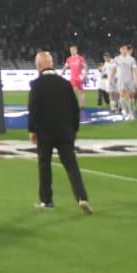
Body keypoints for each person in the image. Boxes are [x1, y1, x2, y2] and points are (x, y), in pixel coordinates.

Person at [27, 51, 92, 214]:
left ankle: (46, 201)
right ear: (52, 64)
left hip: (45, 131)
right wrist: (75, 129)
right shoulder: (65, 83)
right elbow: (74, 108)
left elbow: (33, 109)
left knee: (45, 165)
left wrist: (32, 130)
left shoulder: (36, 85)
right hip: (65, 131)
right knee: (71, 165)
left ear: (39, 66)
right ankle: (82, 197)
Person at [112, 44, 137, 122]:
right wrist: (111, 78)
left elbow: (134, 70)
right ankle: (125, 111)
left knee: (130, 97)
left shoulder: (132, 59)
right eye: (122, 49)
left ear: (127, 50)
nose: (123, 50)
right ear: (120, 50)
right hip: (120, 80)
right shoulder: (116, 59)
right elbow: (114, 69)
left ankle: (130, 112)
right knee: (122, 96)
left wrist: (136, 79)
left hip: (129, 80)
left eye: (125, 49)